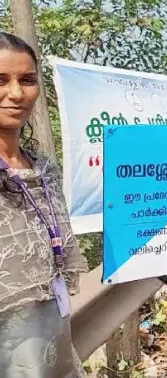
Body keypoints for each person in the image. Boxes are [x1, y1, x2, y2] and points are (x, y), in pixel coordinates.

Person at [0, 32, 88, 377]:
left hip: (49, 345)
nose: (17, 94)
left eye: (27, 80)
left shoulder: (44, 169)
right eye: (1, 80)